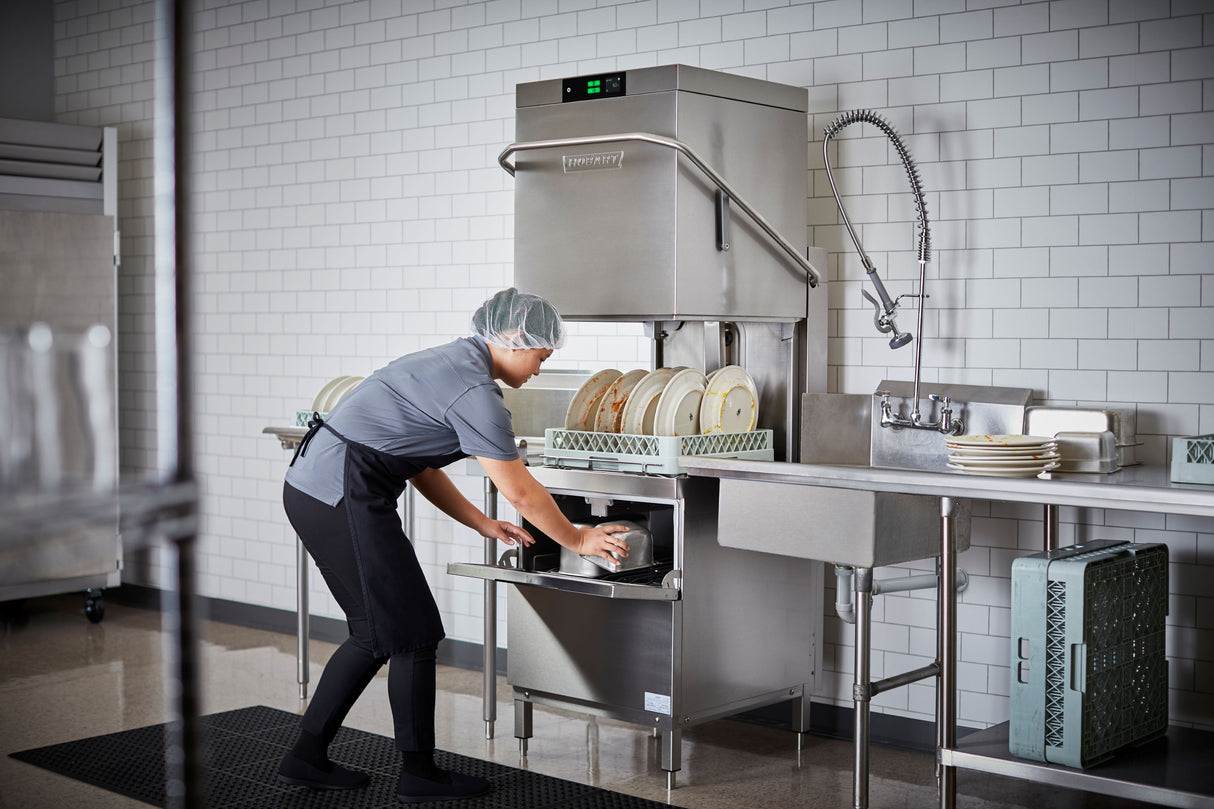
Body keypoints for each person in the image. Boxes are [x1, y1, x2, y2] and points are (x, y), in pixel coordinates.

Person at [277, 288, 628, 803]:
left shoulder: (451, 362)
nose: (538, 368)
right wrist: (580, 537)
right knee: (411, 634)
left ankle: (305, 758)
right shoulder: (475, 394)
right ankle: (417, 775)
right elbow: (523, 492)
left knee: (380, 634)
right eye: (540, 355)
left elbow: (417, 460)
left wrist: (480, 522)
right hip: (340, 493)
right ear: (512, 338)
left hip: (326, 488)